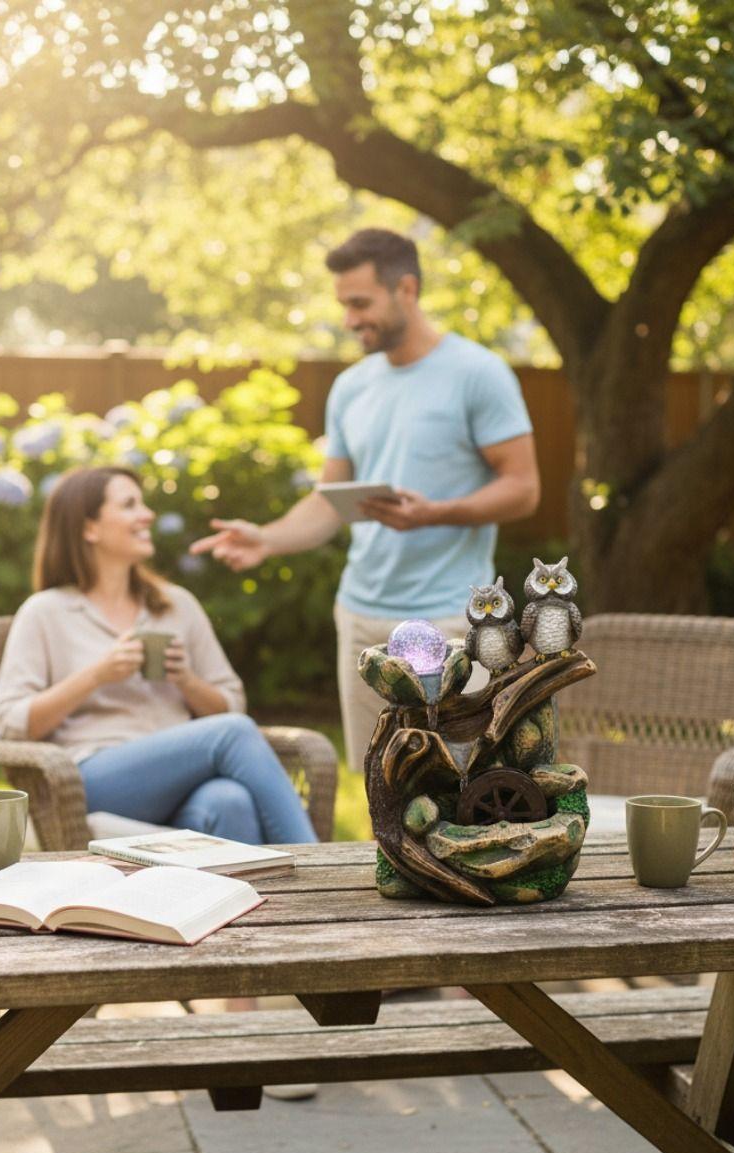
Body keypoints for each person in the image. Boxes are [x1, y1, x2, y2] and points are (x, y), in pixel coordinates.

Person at [190, 228, 540, 772]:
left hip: (448, 620)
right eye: (344, 306)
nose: (350, 320)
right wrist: (268, 538)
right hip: (361, 618)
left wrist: (435, 515)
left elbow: (523, 489)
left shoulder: (477, 373)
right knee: (379, 783)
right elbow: (331, 501)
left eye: (360, 303)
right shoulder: (351, 388)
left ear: (406, 288)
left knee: (455, 783)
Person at [0, 465, 317, 845]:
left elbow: (231, 702)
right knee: (233, 733)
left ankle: (254, 905)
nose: (147, 515)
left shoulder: (176, 606)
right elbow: (12, 722)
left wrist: (187, 681)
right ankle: (316, 865)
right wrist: (97, 675)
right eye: (130, 505)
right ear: (89, 528)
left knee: (231, 802)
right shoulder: (46, 612)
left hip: (182, 779)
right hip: (90, 780)